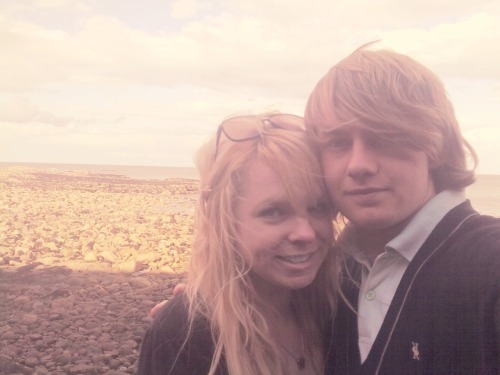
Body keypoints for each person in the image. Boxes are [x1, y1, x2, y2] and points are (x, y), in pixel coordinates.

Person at [304, 43, 500, 374]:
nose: (359, 165)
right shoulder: (332, 274)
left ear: (434, 145)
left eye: (384, 136)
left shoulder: (488, 264)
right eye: (338, 143)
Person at [136, 113, 341, 375]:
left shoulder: (341, 310)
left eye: (319, 208)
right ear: (225, 221)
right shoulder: (185, 336)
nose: (306, 233)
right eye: (274, 212)